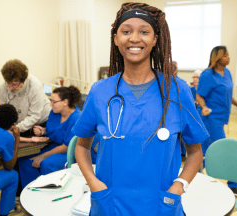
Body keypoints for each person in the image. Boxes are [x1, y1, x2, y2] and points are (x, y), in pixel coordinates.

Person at [72, 3, 209, 216]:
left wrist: (179, 186)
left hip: (160, 205)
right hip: (110, 204)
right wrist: (93, 183)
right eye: (126, 31)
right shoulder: (100, 91)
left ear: (155, 39)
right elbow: (81, 147)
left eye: (144, 32)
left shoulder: (178, 90)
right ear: (116, 38)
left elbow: (195, 151)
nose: (134, 38)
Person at [196, 46, 237, 195]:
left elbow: (227, 94)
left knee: (204, 151)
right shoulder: (207, 75)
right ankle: (233, 184)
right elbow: (199, 96)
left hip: (221, 117)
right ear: (217, 58)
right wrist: (204, 107)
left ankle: (194, 178)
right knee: (225, 149)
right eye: (225, 56)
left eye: (229, 55)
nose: (228, 58)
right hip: (210, 118)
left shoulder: (227, 73)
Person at [18, 86, 82, 189]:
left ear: (65, 102)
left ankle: (49, 194)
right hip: (53, 147)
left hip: (69, 152)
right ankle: (33, 194)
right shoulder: (54, 113)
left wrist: (43, 156)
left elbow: (67, 146)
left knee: (47, 164)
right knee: (25, 162)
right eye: (50, 101)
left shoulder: (76, 118)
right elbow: (53, 131)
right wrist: (43, 131)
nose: (50, 104)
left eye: (54, 101)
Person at [0, 59, 51, 138]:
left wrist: (16, 128)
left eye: (14, 85)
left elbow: (35, 115)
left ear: (23, 81)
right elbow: (3, 111)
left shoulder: (35, 86)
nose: (10, 88)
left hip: (40, 122)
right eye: (8, 83)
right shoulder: (3, 87)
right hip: (20, 123)